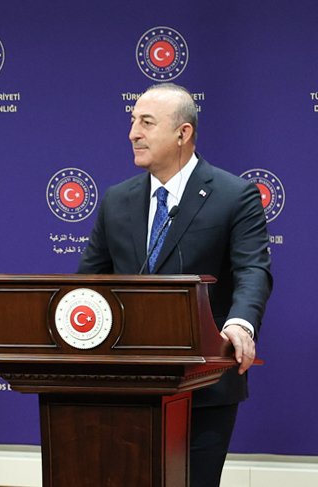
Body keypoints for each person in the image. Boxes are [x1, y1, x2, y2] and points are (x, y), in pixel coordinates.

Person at [77, 83, 271, 487]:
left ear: (183, 133)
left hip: (204, 384)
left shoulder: (234, 196)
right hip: (126, 382)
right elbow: (88, 283)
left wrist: (240, 324)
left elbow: (253, 270)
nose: (133, 133)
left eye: (146, 123)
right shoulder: (116, 200)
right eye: (133, 121)